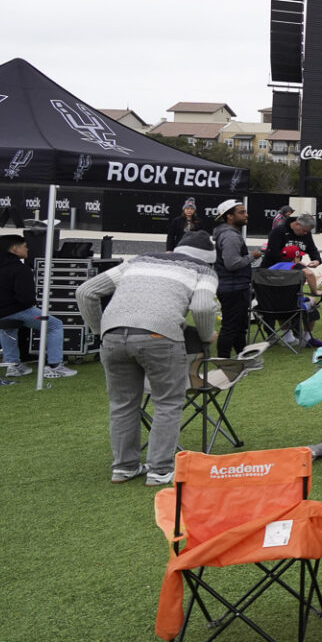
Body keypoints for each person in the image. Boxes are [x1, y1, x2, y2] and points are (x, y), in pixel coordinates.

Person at [76, 231, 219, 486]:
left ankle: (124, 467)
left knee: (122, 404)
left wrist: (101, 331)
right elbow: (202, 307)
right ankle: (160, 470)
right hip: (161, 337)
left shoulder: (137, 261)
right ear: (209, 259)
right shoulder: (204, 271)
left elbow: (86, 292)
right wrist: (207, 335)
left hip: (113, 337)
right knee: (167, 403)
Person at [0, 233, 74, 378]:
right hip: (14, 311)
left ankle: (12, 365)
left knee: (8, 327)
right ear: (15, 248)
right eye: (25, 247)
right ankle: (55, 365)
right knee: (54, 325)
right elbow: (26, 299)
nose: (27, 250)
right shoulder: (19, 268)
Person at [210, 199, 254, 359]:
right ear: (229, 216)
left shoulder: (229, 234)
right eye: (241, 212)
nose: (246, 215)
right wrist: (253, 256)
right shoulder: (230, 236)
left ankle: (243, 357)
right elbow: (232, 264)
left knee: (239, 327)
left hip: (234, 286)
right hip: (233, 287)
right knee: (230, 327)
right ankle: (223, 360)